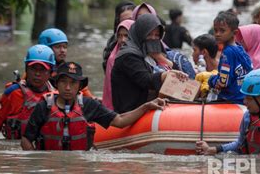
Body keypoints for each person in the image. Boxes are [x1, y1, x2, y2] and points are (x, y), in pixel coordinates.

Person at [21, 62, 167, 151]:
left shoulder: (89, 105)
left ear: (79, 86)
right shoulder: (43, 107)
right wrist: (37, 164)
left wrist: (146, 106)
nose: (67, 87)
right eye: (63, 82)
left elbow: (120, 121)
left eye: (72, 83)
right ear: (56, 84)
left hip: (79, 169)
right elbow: (26, 139)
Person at [111, 14, 188, 113]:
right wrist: (166, 75)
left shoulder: (150, 51)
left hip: (147, 105)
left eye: (156, 35)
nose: (153, 38)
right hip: (129, 110)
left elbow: (176, 72)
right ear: (140, 33)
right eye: (149, 34)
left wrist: (159, 58)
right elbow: (145, 80)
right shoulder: (129, 55)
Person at [0, 45, 56, 139]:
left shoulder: (56, 96)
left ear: (51, 72)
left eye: (42, 70)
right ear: (26, 69)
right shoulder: (13, 92)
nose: (37, 74)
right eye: (33, 68)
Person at [208, 11, 253, 104]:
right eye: (215, 30)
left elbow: (223, 82)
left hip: (230, 99)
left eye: (222, 30)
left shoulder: (227, 53)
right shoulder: (239, 47)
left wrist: (211, 80)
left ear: (234, 32)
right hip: (243, 96)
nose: (217, 34)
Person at [38, 28, 95, 98]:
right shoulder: (34, 73)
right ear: (46, 48)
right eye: (58, 47)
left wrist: (94, 99)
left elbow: (86, 93)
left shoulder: (68, 70)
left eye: (64, 47)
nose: (62, 50)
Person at [102, 19, 135, 110]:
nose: (122, 40)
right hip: (116, 106)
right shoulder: (113, 57)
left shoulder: (140, 54)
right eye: (119, 36)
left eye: (126, 36)